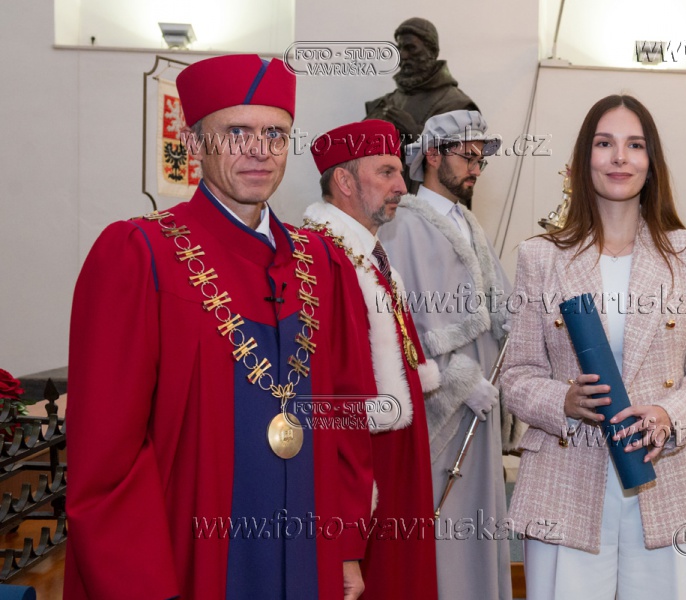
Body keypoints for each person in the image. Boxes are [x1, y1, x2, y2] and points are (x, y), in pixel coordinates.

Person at [64, 54, 375, 600]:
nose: (259, 149)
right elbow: (107, 456)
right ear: (193, 143)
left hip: (308, 552)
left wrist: (346, 544)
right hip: (189, 560)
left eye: (275, 134)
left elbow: (345, 411)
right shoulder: (140, 256)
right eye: (236, 132)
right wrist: (143, 587)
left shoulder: (324, 262)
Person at [500, 94, 686, 600]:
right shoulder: (541, 257)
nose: (619, 158)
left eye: (635, 145)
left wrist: (670, 415)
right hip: (566, 479)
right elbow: (516, 372)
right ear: (584, 157)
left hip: (669, 475)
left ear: (651, 162)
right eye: (605, 143)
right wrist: (563, 400)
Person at [302, 119, 441, 600]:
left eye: (399, 172)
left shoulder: (368, 256)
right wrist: (346, 525)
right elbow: (329, 400)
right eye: (386, 172)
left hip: (394, 466)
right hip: (365, 476)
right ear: (344, 181)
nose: (402, 186)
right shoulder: (323, 260)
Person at [378, 109, 512, 600]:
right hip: (442, 408)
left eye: (481, 160)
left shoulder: (469, 224)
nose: (476, 168)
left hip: (482, 407)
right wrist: (459, 380)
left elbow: (499, 308)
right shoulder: (402, 224)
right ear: (433, 155)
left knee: (479, 520)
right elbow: (398, 323)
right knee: (444, 529)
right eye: (467, 157)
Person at [364, 17, 479, 196]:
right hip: (380, 205)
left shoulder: (457, 105)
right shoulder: (384, 103)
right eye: (400, 48)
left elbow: (462, 169)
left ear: (431, 51)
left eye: (411, 48)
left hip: (424, 206)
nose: (403, 56)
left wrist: (415, 132)